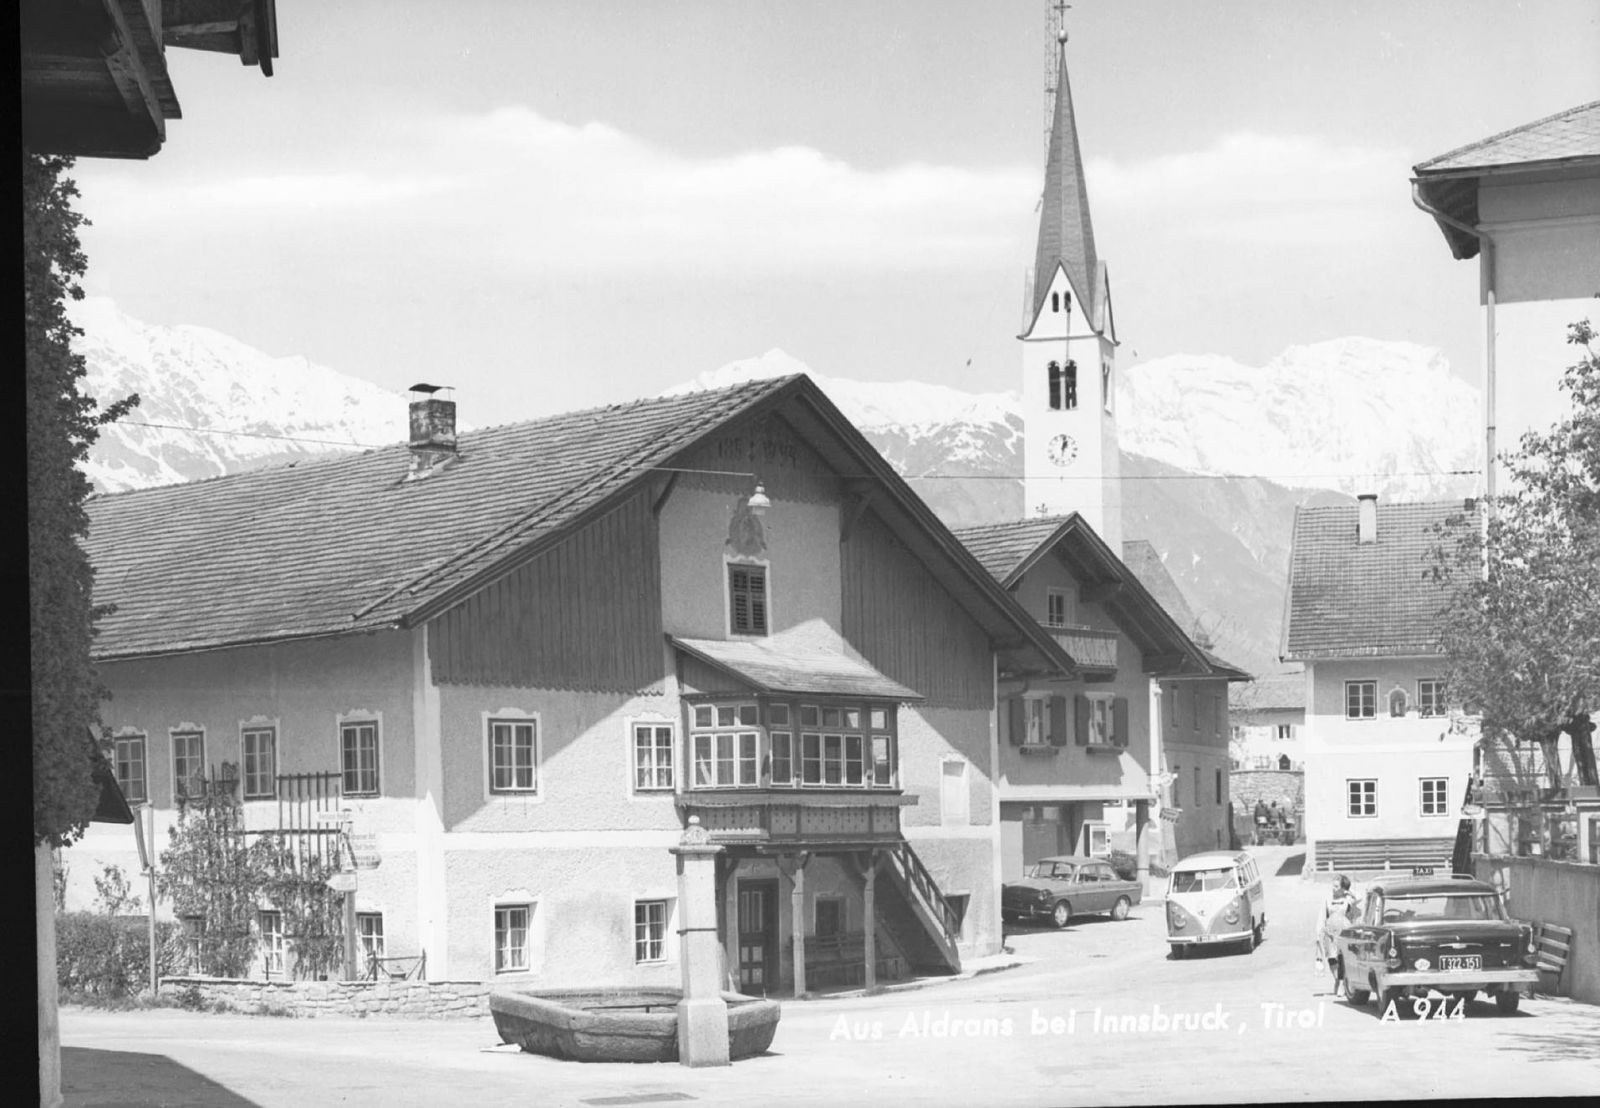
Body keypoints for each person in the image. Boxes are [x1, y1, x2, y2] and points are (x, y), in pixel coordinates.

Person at [1314, 875, 1360, 995]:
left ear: (1342, 888)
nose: (1333, 889)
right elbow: (1322, 917)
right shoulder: (1328, 900)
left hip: (1344, 933)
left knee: (1343, 958)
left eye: (1336, 886)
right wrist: (1318, 933)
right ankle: (1337, 980)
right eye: (1332, 886)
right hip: (1330, 933)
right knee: (1332, 958)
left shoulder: (1348, 900)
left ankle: (1342, 982)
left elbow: (1360, 898)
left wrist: (1348, 891)